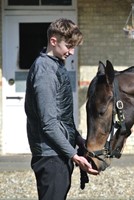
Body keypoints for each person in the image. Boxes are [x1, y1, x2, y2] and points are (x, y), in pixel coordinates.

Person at [25, 18, 98, 200]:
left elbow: (62, 114)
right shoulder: (45, 72)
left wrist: (78, 140)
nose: (71, 52)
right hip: (50, 156)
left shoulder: (55, 65)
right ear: (53, 41)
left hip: (58, 153)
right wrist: (74, 155)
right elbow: (49, 123)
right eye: (69, 46)